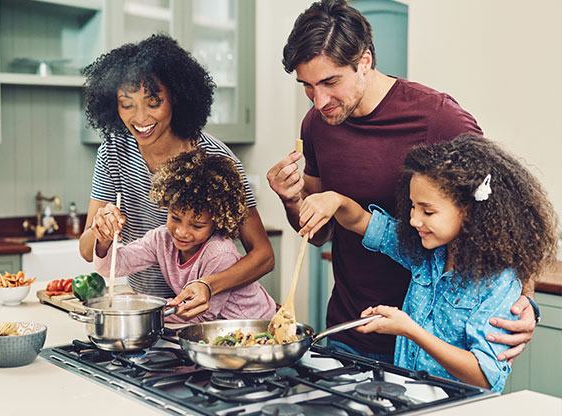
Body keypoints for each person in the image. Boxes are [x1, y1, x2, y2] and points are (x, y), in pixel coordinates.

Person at [267, 0, 537, 363]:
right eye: (308, 86)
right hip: (350, 330)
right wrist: (292, 200)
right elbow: (319, 235)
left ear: (364, 61)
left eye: (330, 82)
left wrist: (527, 300)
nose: (319, 101)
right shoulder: (316, 125)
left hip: (438, 346)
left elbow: (506, 217)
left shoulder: (439, 118)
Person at [297, 135, 558, 392]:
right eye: (412, 207)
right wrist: (336, 200)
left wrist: (410, 330)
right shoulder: (424, 253)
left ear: (467, 210)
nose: (414, 220)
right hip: (409, 397)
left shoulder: (499, 283)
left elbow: (484, 375)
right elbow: (361, 222)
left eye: (427, 211)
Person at [79, 34, 274, 320]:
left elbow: (263, 256)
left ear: (176, 98)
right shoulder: (113, 151)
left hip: (203, 317)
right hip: (151, 311)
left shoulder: (216, 160)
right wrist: (101, 232)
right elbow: (88, 250)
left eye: (153, 101)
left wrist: (207, 285)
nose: (140, 117)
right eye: (127, 104)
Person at [93, 149, 276, 323]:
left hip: (255, 323)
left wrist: (141, 304)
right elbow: (111, 267)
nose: (181, 232)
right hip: (218, 327)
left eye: (197, 226)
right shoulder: (162, 239)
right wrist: (105, 239)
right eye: (175, 218)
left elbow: (201, 315)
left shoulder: (219, 253)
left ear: (217, 221)